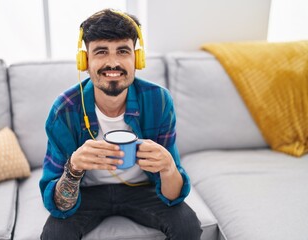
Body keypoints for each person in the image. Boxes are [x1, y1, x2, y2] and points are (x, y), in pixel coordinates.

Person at [39, 8, 202, 240]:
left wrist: (168, 168)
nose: (112, 63)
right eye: (101, 52)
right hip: (88, 193)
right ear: (85, 61)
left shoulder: (158, 100)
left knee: (188, 225)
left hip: (143, 190)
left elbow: (173, 195)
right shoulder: (64, 109)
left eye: (123, 51)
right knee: (54, 234)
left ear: (137, 58)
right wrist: (73, 169)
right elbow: (59, 204)